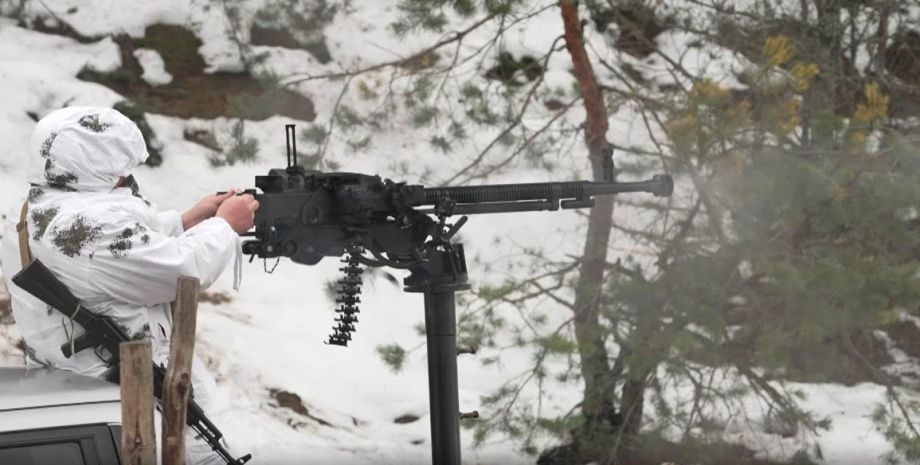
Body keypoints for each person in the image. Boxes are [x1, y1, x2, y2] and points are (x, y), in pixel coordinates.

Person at [0, 106, 258, 464]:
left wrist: (186, 221)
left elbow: (115, 257)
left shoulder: (34, 209)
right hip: (133, 406)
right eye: (119, 172)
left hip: (76, 393)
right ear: (91, 165)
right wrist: (226, 225)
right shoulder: (91, 230)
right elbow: (179, 271)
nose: (125, 178)